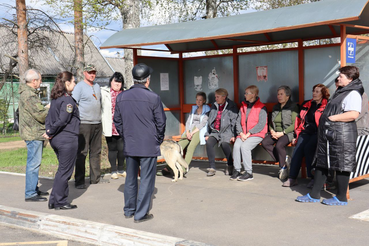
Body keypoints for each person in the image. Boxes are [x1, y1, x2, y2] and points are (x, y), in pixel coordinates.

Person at [296, 66, 363, 206]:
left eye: (342, 76)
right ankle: (314, 195)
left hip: (342, 135)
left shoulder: (353, 93)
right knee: (323, 162)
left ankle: (341, 198)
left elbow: (353, 114)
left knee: (341, 164)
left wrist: (332, 118)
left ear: (350, 79)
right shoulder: (341, 91)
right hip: (332, 134)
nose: (338, 78)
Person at [114, 63, 166, 223]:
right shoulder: (153, 97)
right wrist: (157, 139)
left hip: (130, 144)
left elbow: (117, 120)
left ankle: (129, 210)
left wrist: (125, 135)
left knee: (130, 179)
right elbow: (161, 123)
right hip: (148, 145)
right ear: (147, 80)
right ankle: (141, 214)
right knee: (146, 180)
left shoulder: (122, 97)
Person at [44, 71, 79, 210]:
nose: (75, 84)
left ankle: (54, 200)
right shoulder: (67, 100)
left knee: (61, 171)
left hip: (58, 139)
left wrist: (49, 131)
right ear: (67, 83)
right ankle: (60, 201)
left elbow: (49, 118)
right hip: (67, 139)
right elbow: (63, 120)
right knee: (65, 172)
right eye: (74, 81)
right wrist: (50, 131)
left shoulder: (55, 99)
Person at [282, 84, 329, 187]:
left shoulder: (327, 105)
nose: (314, 93)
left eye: (317, 91)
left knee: (308, 148)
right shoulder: (306, 104)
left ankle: (312, 178)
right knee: (297, 150)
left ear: (323, 93)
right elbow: (298, 121)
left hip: (319, 133)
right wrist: (296, 135)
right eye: (313, 91)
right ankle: (292, 178)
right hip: (305, 132)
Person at [72, 64, 108, 189]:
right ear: (84, 73)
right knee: (82, 152)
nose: (92, 75)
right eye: (90, 72)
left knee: (96, 152)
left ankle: (95, 178)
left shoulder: (97, 86)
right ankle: (79, 181)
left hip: (97, 123)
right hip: (84, 124)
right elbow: (73, 104)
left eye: (94, 72)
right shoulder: (79, 87)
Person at [19, 69, 50, 202]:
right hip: (33, 133)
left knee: (34, 162)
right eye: (40, 80)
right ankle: (30, 193)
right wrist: (49, 107)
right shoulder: (30, 96)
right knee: (33, 163)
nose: (41, 82)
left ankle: (34, 188)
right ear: (34, 81)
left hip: (32, 132)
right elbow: (41, 115)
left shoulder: (27, 93)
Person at [261, 85, 299, 180]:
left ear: (288, 96)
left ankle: (282, 168)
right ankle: (284, 160)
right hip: (275, 132)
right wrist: (272, 130)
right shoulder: (275, 107)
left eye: (281, 94)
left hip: (287, 133)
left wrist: (282, 133)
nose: (279, 96)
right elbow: (270, 121)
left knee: (279, 145)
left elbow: (295, 124)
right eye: (278, 94)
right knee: (265, 142)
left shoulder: (293, 107)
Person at [231, 85, 267, 181]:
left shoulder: (261, 107)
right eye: (245, 93)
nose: (245, 95)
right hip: (243, 134)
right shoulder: (243, 106)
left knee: (245, 147)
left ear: (254, 94)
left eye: (247, 93)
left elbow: (261, 124)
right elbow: (238, 121)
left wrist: (249, 133)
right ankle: (237, 170)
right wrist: (241, 133)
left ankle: (249, 172)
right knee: (236, 146)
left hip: (256, 134)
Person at [205, 88, 238, 177]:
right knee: (209, 143)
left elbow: (234, 122)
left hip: (227, 131)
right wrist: (207, 133)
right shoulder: (214, 105)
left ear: (224, 97)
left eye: (218, 97)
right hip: (215, 131)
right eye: (215, 97)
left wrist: (234, 135)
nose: (216, 98)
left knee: (224, 144)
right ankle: (212, 167)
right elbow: (210, 120)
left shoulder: (231, 106)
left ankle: (230, 164)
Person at [101, 72, 126, 179]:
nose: (117, 84)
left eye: (119, 82)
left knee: (122, 148)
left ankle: (121, 169)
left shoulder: (125, 93)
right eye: (115, 81)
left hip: (122, 125)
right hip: (109, 125)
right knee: (112, 149)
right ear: (111, 81)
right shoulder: (104, 92)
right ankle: (113, 170)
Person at [178, 92, 210, 166]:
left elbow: (202, 124)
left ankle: (184, 167)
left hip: (199, 130)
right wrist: (188, 132)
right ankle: (169, 168)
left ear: (204, 101)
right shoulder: (194, 109)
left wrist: (192, 133)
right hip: (190, 129)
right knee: (178, 147)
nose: (198, 102)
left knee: (190, 147)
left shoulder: (207, 109)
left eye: (200, 100)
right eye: (197, 100)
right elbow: (188, 121)